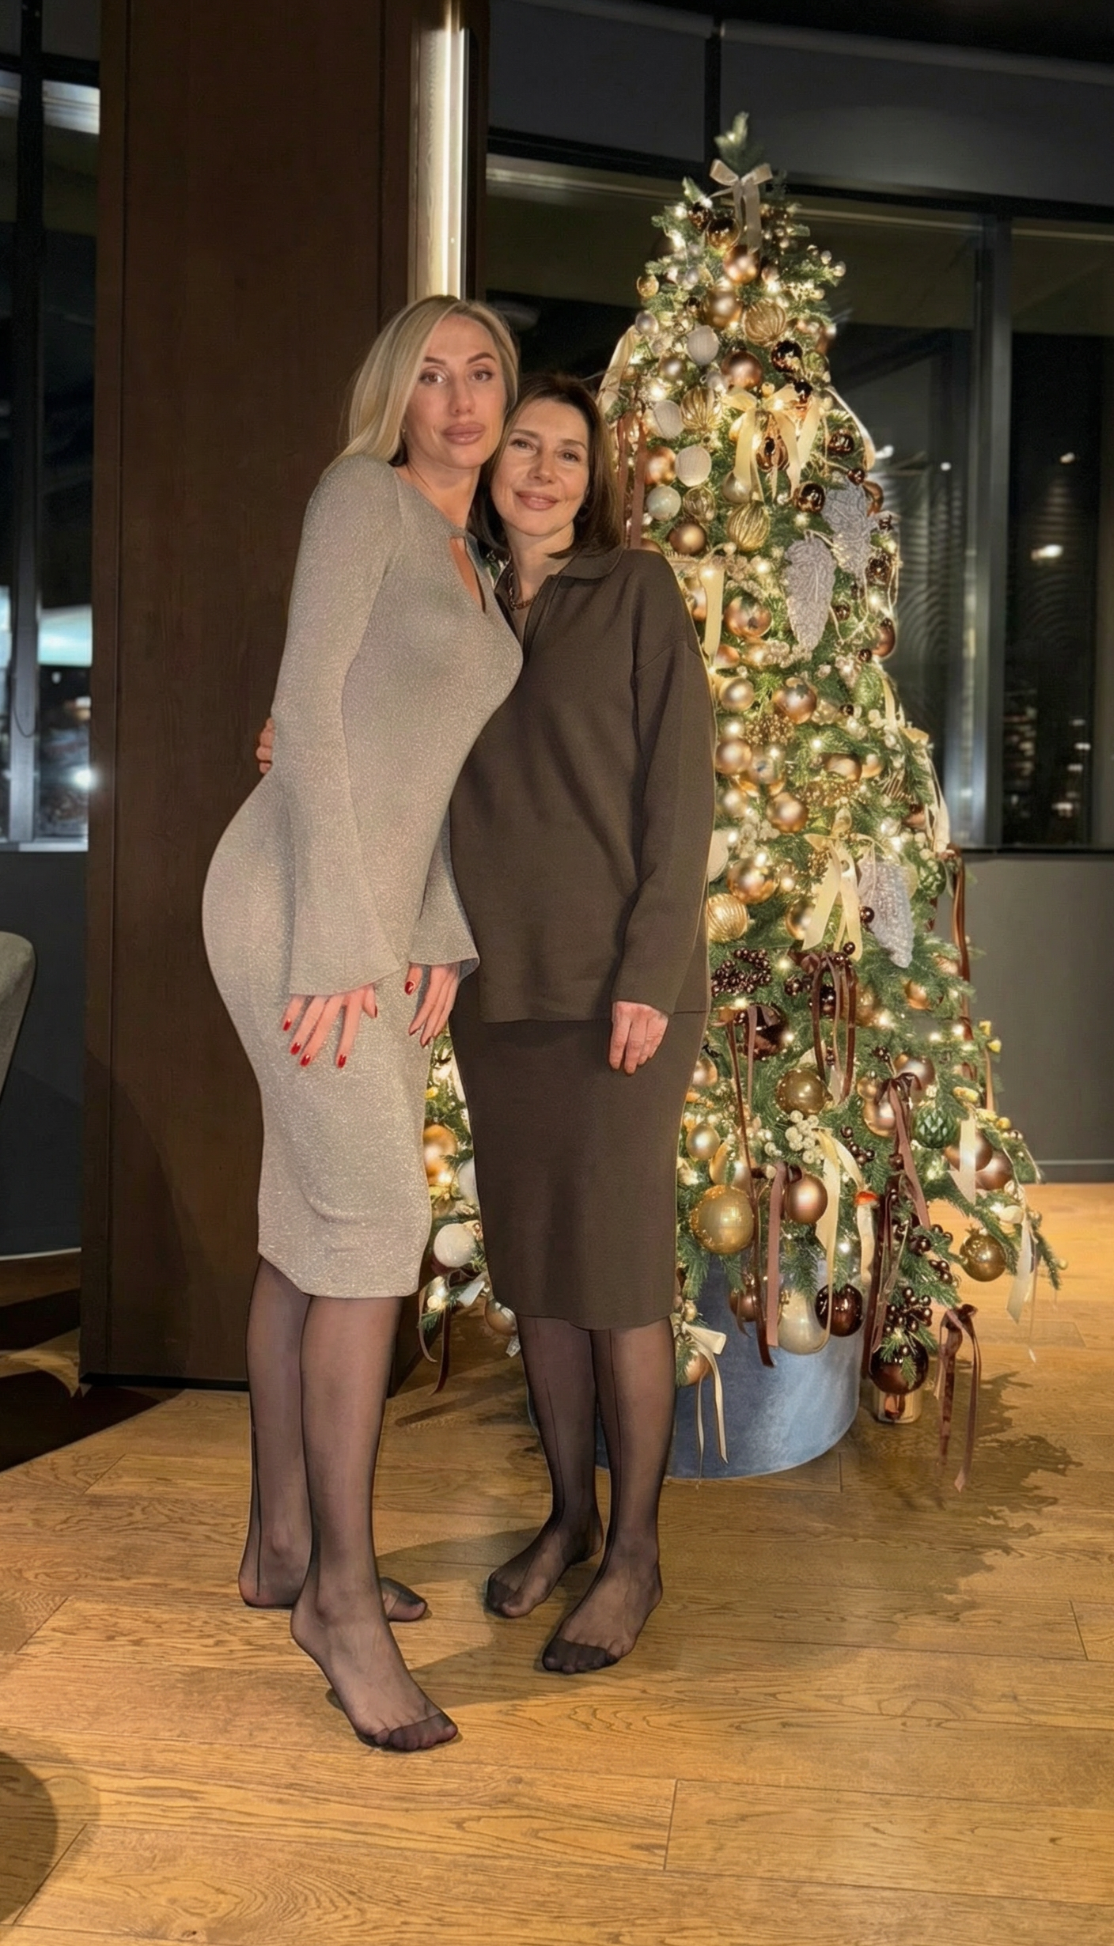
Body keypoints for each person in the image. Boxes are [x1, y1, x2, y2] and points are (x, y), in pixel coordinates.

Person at [203, 296, 521, 1751]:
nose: (460, 399)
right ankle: (336, 1601)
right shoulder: (362, 500)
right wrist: (340, 941)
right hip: (294, 911)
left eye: (484, 373)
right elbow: (310, 719)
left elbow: (424, 775)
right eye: (432, 373)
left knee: (307, 1231)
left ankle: (282, 1543)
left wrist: (433, 927)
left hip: (375, 930)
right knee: (373, 1233)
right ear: (396, 393)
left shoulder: (475, 562)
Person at [449, 376, 714, 1672]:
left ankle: (637, 1555)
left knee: (613, 1281)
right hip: (497, 992)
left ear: (593, 476)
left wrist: (650, 976)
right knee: (537, 1278)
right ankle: (569, 1516)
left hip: (622, 995)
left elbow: (681, 795)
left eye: (568, 452)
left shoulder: (636, 592)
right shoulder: (453, 603)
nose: (544, 470)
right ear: (491, 463)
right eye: (525, 446)